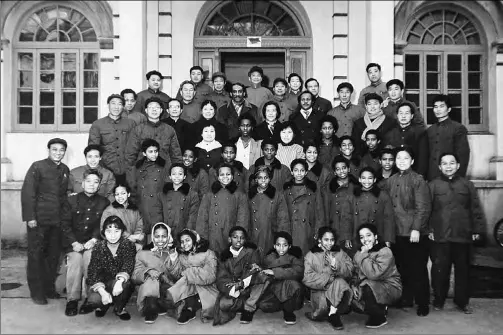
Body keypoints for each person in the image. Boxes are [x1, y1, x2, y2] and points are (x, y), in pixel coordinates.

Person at [428, 153, 486, 314]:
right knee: (440, 270)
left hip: (463, 234)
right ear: (439, 167)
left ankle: (462, 302)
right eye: (444, 163)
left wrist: (477, 230)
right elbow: (427, 210)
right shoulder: (433, 185)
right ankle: (439, 299)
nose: (448, 166)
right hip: (441, 235)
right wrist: (429, 230)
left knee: (463, 270)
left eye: (452, 163)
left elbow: (475, 209)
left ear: (458, 165)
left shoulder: (467, 185)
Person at [383, 146, 432, 316]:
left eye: (405, 158)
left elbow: (423, 207)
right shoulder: (390, 181)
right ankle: (406, 298)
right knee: (402, 268)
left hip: (414, 233)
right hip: (397, 233)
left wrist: (416, 229)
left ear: (412, 161)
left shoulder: (418, 180)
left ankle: (423, 303)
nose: (401, 161)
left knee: (418, 269)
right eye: (398, 159)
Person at [21, 138, 70, 305]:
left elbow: (63, 197)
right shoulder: (37, 166)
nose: (58, 153)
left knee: (53, 256)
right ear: (48, 150)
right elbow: (28, 193)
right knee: (36, 256)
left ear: (65, 152)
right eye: (54, 149)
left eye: (61, 150)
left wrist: (64, 219)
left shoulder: (65, 169)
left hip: (56, 221)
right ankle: (37, 292)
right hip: (39, 220)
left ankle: (49, 289)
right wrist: (30, 217)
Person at [61, 169, 110, 316]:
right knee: (75, 261)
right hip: (73, 243)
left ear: (99, 186)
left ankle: (91, 298)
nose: (92, 184)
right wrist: (74, 242)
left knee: (90, 259)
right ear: (82, 184)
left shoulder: (104, 202)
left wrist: (95, 239)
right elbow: (64, 224)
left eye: (96, 182)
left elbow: (103, 224)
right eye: (88, 181)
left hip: (92, 243)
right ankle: (72, 300)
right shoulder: (71, 200)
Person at [213, 226, 269, 325]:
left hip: (249, 287)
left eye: (242, 238)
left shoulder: (251, 252)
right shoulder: (224, 256)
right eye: (235, 237)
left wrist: (242, 283)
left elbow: (254, 270)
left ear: (245, 240)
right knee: (223, 305)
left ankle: (249, 308)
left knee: (262, 276)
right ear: (229, 239)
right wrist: (234, 287)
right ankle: (242, 303)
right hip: (235, 289)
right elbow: (221, 279)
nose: (239, 240)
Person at [164, 228, 219, 325]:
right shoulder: (182, 255)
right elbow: (178, 275)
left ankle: (189, 309)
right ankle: (188, 307)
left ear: (194, 240)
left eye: (187, 240)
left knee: (207, 303)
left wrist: (190, 272)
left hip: (206, 287)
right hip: (188, 285)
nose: (185, 244)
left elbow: (211, 276)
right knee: (171, 297)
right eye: (182, 242)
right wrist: (173, 259)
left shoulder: (208, 253)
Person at [86, 216, 136, 320]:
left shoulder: (128, 244)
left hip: (118, 282)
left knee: (125, 284)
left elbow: (128, 264)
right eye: (109, 231)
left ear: (122, 231)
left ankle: (119, 308)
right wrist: (102, 292)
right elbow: (92, 271)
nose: (113, 236)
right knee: (94, 299)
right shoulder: (98, 247)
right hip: (102, 282)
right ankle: (103, 306)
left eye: (116, 231)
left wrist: (119, 281)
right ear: (103, 232)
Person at [352, 224, 402, 329]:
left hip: (390, 286)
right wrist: (353, 285)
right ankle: (381, 307)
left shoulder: (385, 251)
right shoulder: (360, 252)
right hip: (370, 284)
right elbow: (355, 272)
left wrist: (363, 255)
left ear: (375, 236)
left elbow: (373, 274)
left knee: (367, 287)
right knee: (350, 295)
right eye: (362, 237)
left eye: (368, 235)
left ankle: (379, 317)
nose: (365, 239)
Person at [303, 226, 353, 330]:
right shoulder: (311, 255)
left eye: (332, 240)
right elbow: (307, 278)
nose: (329, 243)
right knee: (321, 312)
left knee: (339, 282)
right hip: (319, 292)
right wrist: (328, 278)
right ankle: (331, 311)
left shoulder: (340, 253)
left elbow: (350, 270)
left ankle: (333, 313)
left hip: (339, 290)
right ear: (319, 240)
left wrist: (336, 265)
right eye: (326, 240)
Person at [196, 163, 250, 254]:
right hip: (212, 235)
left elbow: (242, 219)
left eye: (228, 174)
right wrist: (203, 238)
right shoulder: (209, 195)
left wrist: (237, 238)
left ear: (232, 176)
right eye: (222, 174)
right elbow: (202, 218)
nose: (225, 177)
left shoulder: (240, 195)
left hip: (230, 235)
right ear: (217, 177)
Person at [126, 139, 170, 240]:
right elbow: (133, 186)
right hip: (142, 204)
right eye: (150, 152)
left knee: (157, 233)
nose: (154, 154)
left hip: (158, 206)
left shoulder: (164, 167)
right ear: (144, 153)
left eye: (156, 151)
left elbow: (167, 187)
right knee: (141, 233)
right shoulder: (137, 168)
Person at [257, 231, 304, 325]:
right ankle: (282, 305)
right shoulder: (268, 258)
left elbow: (298, 272)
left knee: (291, 283)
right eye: (278, 245)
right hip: (274, 291)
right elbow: (262, 273)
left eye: (285, 245)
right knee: (263, 306)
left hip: (291, 292)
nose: (281, 248)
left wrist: (275, 272)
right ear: (274, 246)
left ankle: (288, 311)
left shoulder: (294, 258)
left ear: (289, 246)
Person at [132, 222, 175, 324]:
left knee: (172, 297)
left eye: (164, 236)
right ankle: (150, 309)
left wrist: (173, 262)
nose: (160, 240)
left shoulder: (173, 253)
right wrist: (148, 271)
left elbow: (177, 276)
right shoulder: (143, 253)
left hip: (166, 285)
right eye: (157, 236)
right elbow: (135, 276)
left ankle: (160, 305)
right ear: (152, 237)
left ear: (168, 237)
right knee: (151, 280)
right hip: (148, 287)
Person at [88, 94, 136, 183]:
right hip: (106, 169)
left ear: (123, 107)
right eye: (113, 103)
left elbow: (136, 146)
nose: (116, 107)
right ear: (108, 105)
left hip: (127, 169)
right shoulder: (98, 124)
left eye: (120, 104)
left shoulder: (131, 124)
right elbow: (93, 148)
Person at [125, 96, 182, 168]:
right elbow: (130, 155)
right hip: (142, 173)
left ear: (161, 110)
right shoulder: (137, 130)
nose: (154, 110)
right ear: (146, 110)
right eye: (151, 107)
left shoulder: (169, 130)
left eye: (157, 107)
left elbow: (176, 156)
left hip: (164, 172)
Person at [282, 159, 324, 254]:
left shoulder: (312, 189)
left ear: (306, 172)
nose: (299, 173)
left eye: (302, 170)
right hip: (291, 229)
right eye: (296, 170)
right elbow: (283, 214)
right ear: (292, 172)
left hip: (307, 230)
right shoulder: (286, 190)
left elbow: (319, 211)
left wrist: (318, 231)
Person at [352, 167, 395, 257]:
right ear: (359, 179)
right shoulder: (353, 195)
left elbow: (389, 218)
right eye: (363, 178)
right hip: (358, 235)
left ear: (374, 180)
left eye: (370, 178)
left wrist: (388, 239)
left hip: (378, 235)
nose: (366, 181)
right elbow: (347, 217)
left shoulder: (383, 195)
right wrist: (347, 237)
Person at [426, 94, 470, 181]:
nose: (438, 110)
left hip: (450, 176)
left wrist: (458, 178)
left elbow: (463, 155)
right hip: (432, 176)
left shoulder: (458, 128)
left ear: (449, 109)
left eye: (441, 106)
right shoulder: (430, 130)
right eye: (435, 107)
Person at [248, 166, 290, 253]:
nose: (263, 180)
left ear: (270, 179)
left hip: (270, 233)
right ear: (256, 179)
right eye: (260, 178)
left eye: (266, 177)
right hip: (252, 234)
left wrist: (281, 237)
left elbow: (283, 218)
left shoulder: (277, 195)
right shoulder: (249, 196)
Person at [152, 163, 200, 232]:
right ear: (170, 176)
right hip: (165, 232)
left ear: (184, 176)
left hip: (183, 232)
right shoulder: (162, 195)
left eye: (180, 174)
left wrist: (187, 232)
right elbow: (158, 214)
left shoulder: (192, 195)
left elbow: (192, 216)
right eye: (174, 174)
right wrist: (162, 230)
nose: (177, 176)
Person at [323, 156, 358, 249]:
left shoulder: (356, 186)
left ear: (348, 169)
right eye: (338, 169)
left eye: (344, 168)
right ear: (334, 172)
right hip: (334, 225)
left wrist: (348, 236)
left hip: (351, 226)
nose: (341, 171)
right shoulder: (329, 187)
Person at [386, 101, 429, 177]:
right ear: (397, 115)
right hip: (394, 174)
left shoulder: (420, 132)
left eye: (406, 113)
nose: (403, 116)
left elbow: (423, 156)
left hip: (414, 173)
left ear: (412, 116)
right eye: (401, 113)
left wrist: (421, 174)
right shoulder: (390, 133)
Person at [101, 184, 145, 251]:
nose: (120, 196)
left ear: (128, 194)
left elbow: (140, 226)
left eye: (123, 193)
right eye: (117, 194)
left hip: (133, 243)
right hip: (115, 245)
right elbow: (104, 230)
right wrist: (129, 237)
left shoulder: (134, 209)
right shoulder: (109, 210)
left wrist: (136, 237)